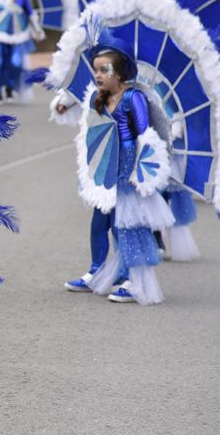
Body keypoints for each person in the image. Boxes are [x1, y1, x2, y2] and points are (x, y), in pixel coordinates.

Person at [60, 33, 174, 304]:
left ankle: (132, 280)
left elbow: (145, 136)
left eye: (104, 70)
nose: (98, 75)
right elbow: (93, 134)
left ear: (120, 72)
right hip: (106, 168)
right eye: (96, 70)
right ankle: (96, 271)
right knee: (99, 222)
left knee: (126, 226)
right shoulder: (97, 98)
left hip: (128, 169)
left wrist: (141, 173)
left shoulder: (134, 97)